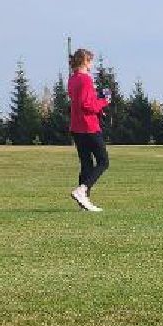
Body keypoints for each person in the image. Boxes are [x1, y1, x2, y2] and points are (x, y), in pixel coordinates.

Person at [66, 48, 112, 212]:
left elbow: (82, 101)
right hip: (88, 126)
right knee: (103, 161)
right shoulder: (85, 80)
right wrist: (104, 102)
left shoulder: (72, 79)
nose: (91, 64)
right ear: (85, 61)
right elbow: (87, 105)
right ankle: (82, 190)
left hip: (76, 126)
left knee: (86, 164)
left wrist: (97, 100)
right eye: (90, 61)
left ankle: (83, 201)